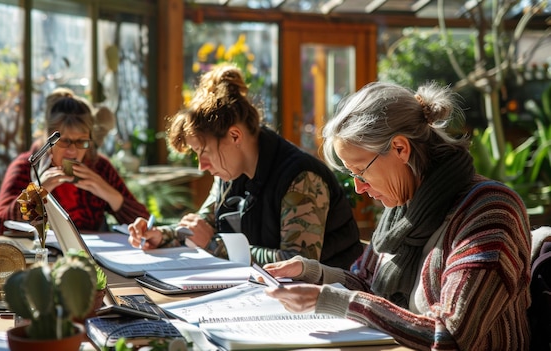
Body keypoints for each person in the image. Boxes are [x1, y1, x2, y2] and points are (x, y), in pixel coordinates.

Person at [262, 81, 532, 350]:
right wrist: (310, 273)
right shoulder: (402, 206)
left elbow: (450, 335)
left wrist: (333, 300)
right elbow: (367, 284)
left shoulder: (490, 212)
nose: (359, 187)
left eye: (360, 171)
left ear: (401, 148)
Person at [128, 64, 363, 269]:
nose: (202, 166)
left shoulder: (301, 178)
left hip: (330, 303)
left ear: (234, 136)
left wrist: (213, 245)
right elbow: (203, 225)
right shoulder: (229, 174)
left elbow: (297, 263)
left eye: (204, 151)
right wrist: (161, 235)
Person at [0, 88, 149, 235]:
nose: (73, 151)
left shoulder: (98, 167)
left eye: (81, 142)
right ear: (48, 138)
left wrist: (109, 193)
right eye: (64, 141)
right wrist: (35, 194)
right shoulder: (26, 167)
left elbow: (146, 226)